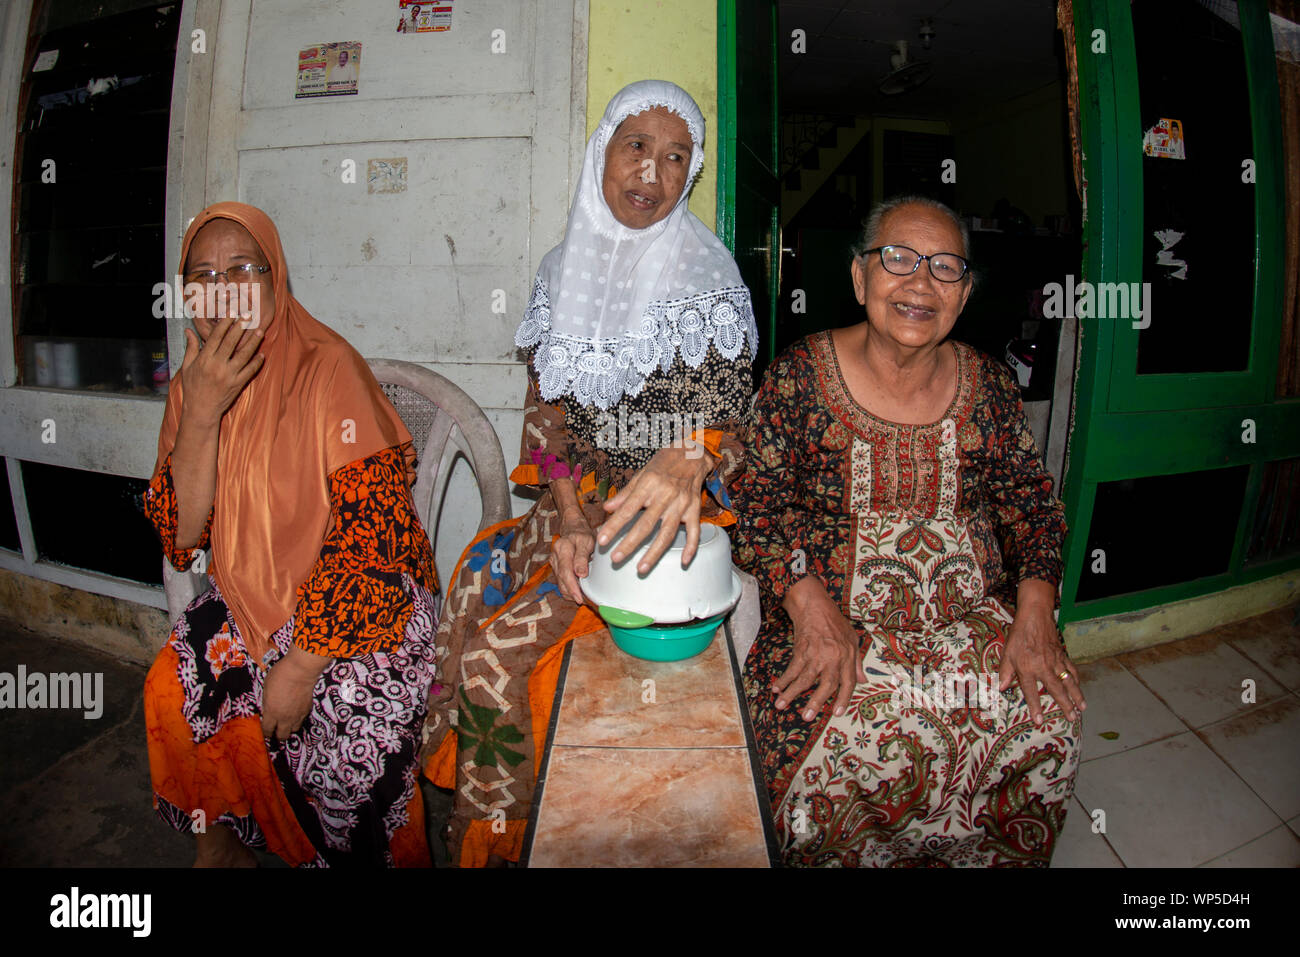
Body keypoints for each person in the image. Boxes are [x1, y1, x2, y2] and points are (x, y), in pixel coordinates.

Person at [422, 80, 757, 867]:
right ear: (601, 153)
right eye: (636, 146)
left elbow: (742, 428)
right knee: (471, 578)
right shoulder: (562, 267)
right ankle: (460, 784)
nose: (653, 172)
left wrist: (691, 450)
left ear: (691, 175)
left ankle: (495, 844)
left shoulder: (706, 279)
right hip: (583, 510)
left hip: (660, 524)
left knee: (493, 655)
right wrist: (569, 515)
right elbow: (548, 415)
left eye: (677, 158)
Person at [730, 195, 1085, 867]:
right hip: (836, 618)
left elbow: (1035, 506)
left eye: (945, 267)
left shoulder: (991, 385)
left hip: (972, 618)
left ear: (965, 292)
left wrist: (1035, 611)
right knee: (819, 730)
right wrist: (807, 605)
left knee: (1046, 717)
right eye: (898, 259)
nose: (921, 282)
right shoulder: (800, 376)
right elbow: (756, 501)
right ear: (861, 278)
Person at [143, 202, 440, 867]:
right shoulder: (193, 385)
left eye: (243, 269)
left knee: (352, 724)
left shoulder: (326, 365)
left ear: (276, 278)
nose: (223, 290)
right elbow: (182, 533)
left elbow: (375, 535)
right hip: (252, 601)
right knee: (171, 680)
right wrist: (202, 413)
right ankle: (222, 840)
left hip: (365, 595)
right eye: (203, 274)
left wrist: (303, 663)